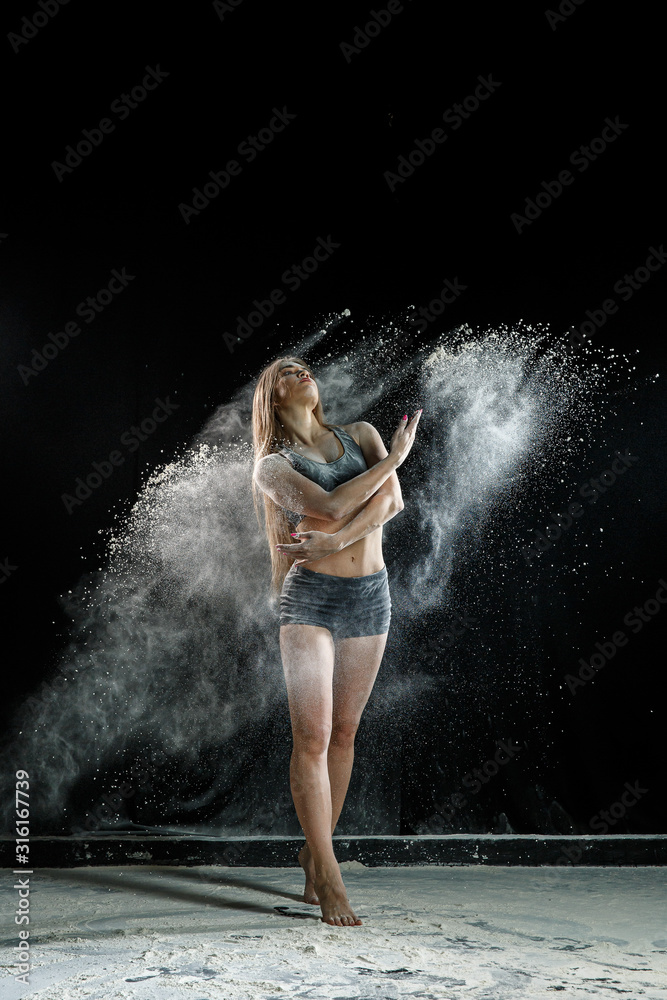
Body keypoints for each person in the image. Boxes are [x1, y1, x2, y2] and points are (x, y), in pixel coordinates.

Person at [252, 356, 421, 926]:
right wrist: (394, 462)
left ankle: (312, 850)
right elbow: (326, 505)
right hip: (311, 603)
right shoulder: (272, 467)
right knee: (314, 734)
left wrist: (335, 541)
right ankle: (328, 875)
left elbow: (392, 502)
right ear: (272, 399)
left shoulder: (362, 435)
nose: (303, 372)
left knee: (345, 731)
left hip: (371, 596)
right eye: (287, 372)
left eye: (305, 367)